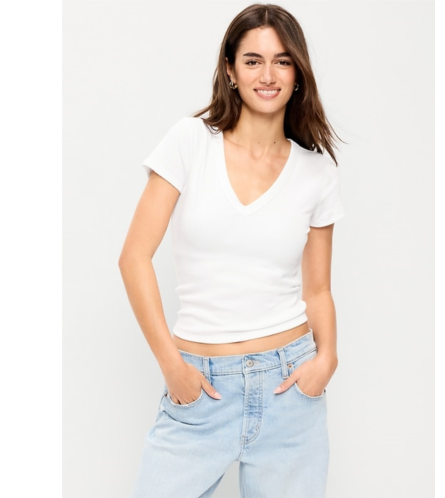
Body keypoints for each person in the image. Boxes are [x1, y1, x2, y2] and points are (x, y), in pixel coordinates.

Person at [119, 4, 345, 497]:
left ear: (298, 73)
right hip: (201, 389)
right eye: (253, 61)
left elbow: (318, 289)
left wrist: (327, 359)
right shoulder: (190, 142)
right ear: (230, 70)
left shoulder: (317, 172)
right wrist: (172, 367)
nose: (268, 75)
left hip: (290, 391)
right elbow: (133, 258)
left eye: (282, 61)